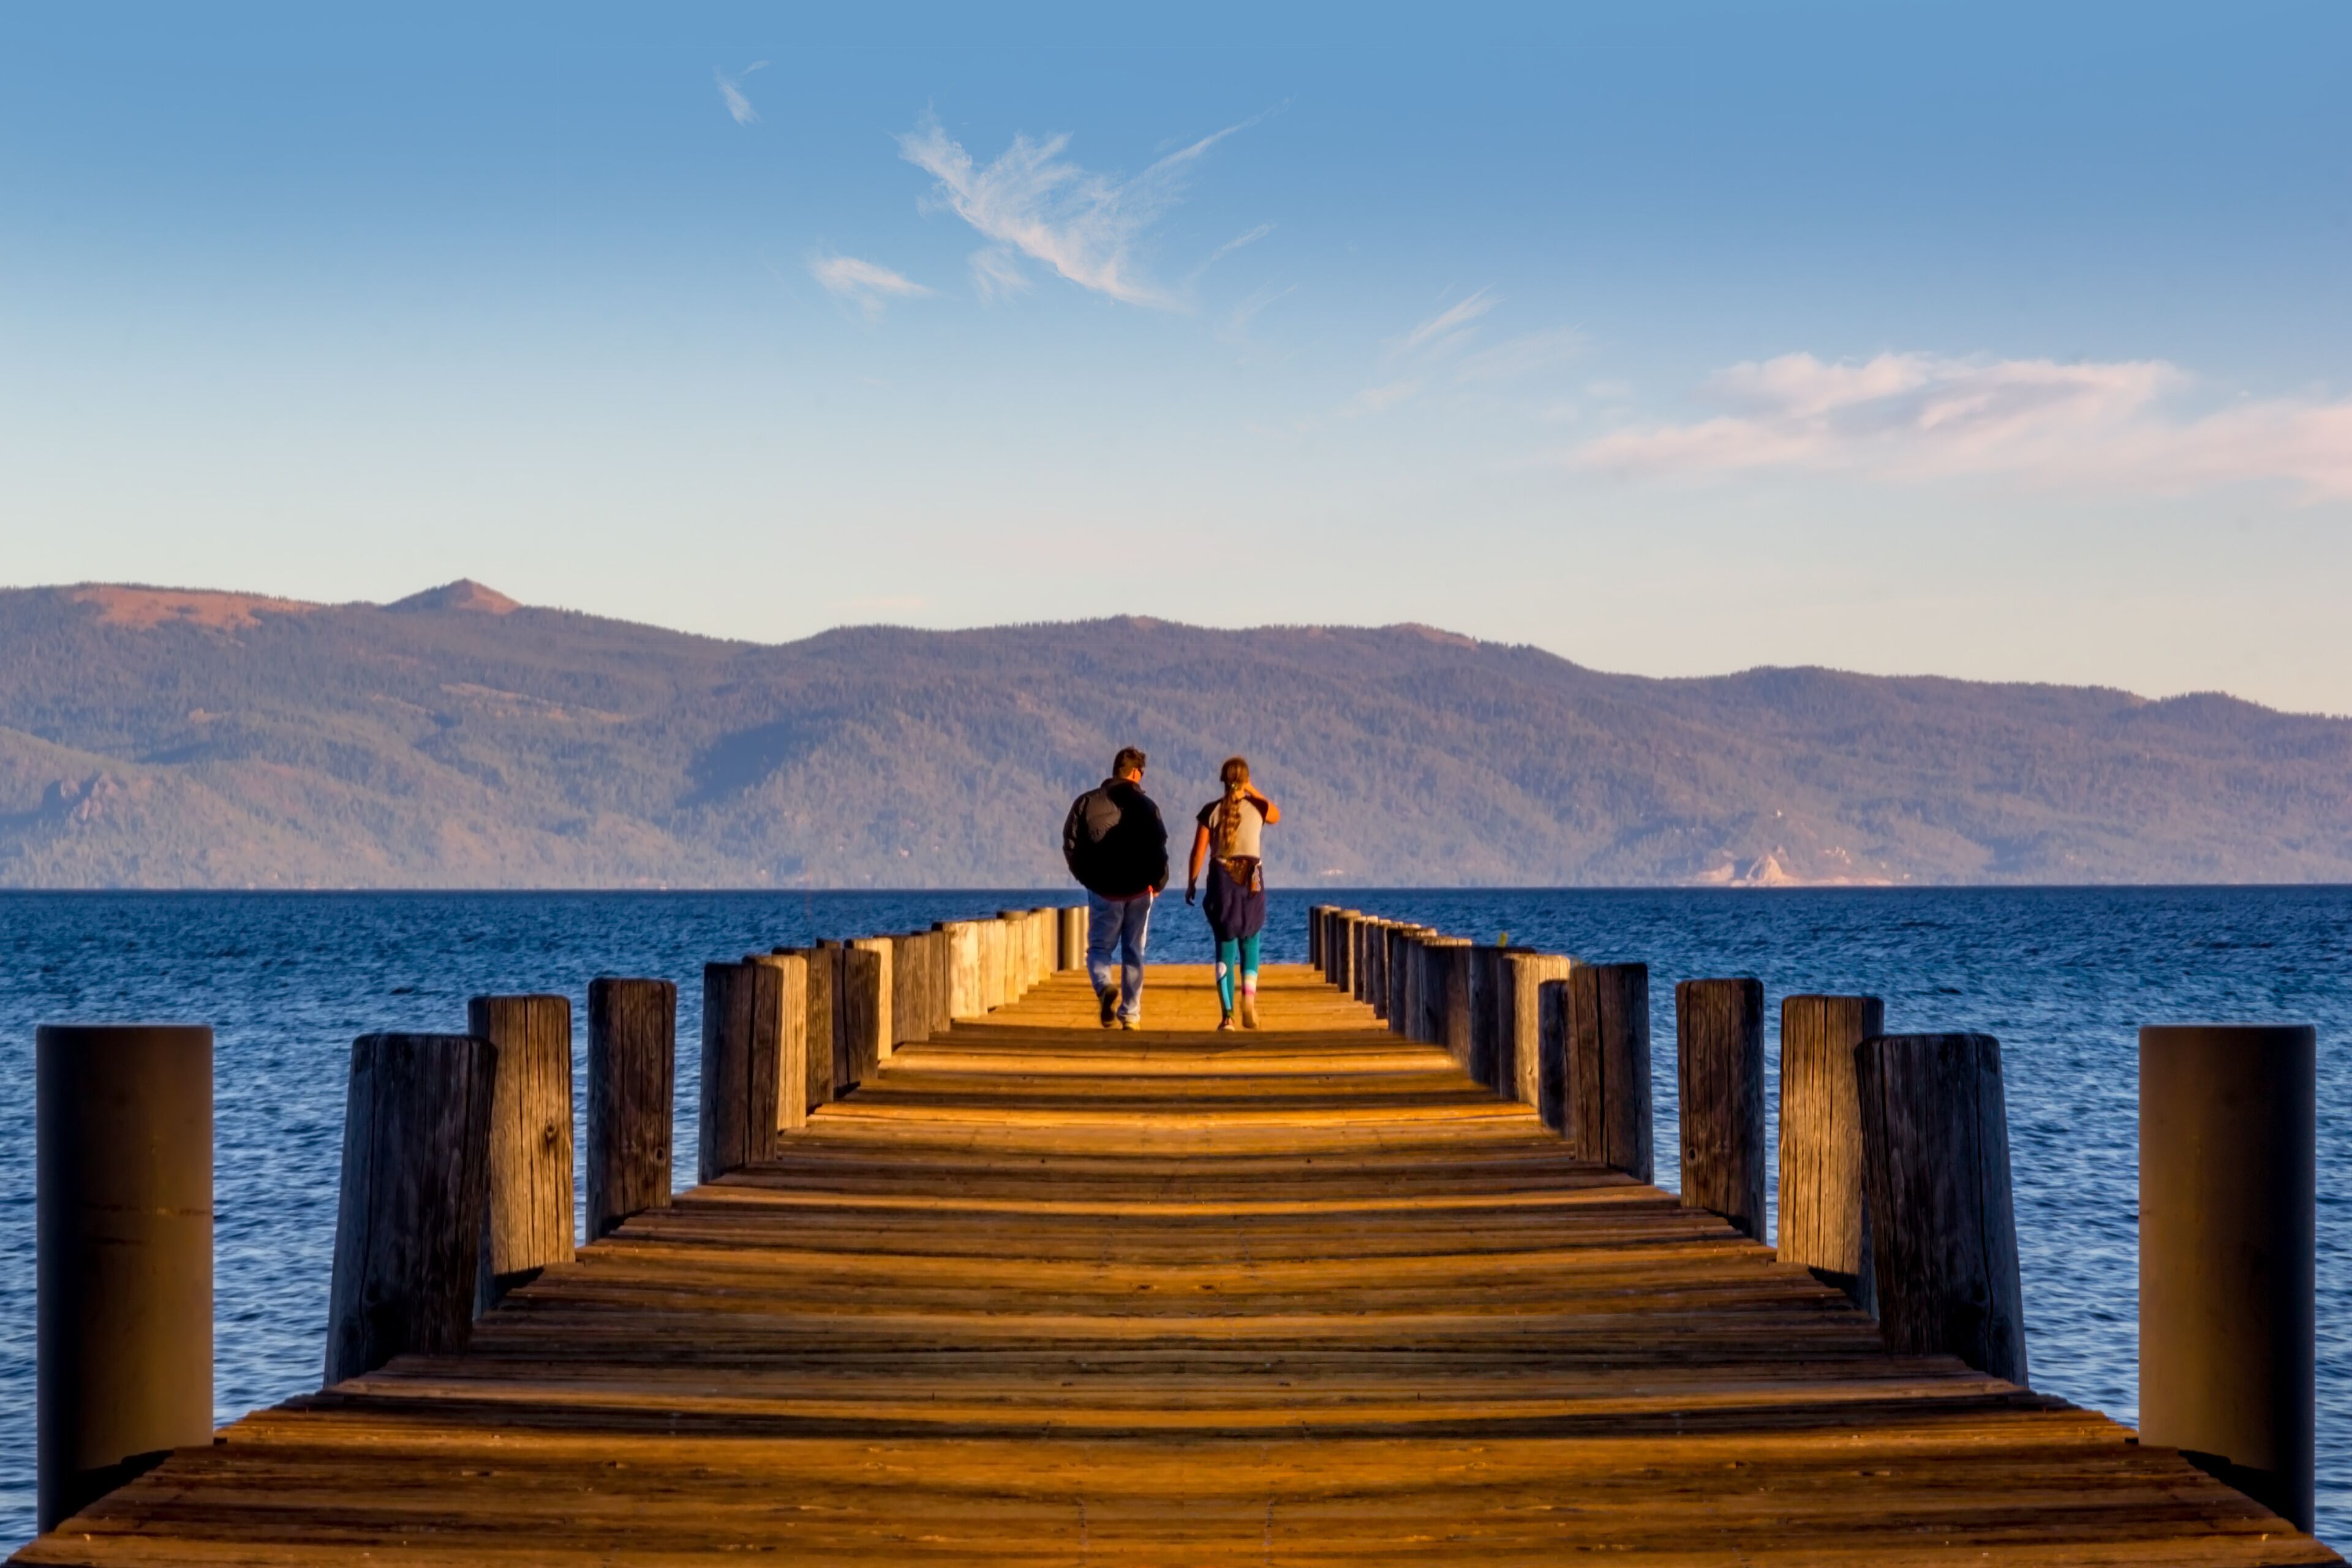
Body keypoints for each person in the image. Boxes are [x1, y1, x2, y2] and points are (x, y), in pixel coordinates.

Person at [1061, 747, 1169, 1029]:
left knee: (1100, 948)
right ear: (1135, 773)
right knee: (1134, 951)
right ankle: (1131, 1014)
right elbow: (1159, 847)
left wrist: (1087, 878)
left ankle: (1104, 986)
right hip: (1139, 890)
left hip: (1103, 889)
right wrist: (1159, 882)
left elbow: (1071, 844)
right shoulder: (1148, 806)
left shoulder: (1086, 802)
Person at [1186, 755, 1280, 1030]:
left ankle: (1228, 1017)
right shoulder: (1258, 808)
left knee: (1225, 948)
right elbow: (1276, 815)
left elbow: (1198, 852)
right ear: (1246, 780)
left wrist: (1192, 882)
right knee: (1251, 942)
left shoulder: (1211, 811)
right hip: (1253, 879)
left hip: (1222, 881)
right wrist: (1251, 789)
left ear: (1223, 781)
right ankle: (1249, 997)